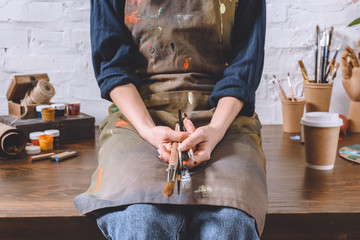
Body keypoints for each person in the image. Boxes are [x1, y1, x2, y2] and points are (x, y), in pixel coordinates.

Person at [75, 0, 267, 239]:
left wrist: (216, 129)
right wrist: (147, 129)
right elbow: (113, 66)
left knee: (230, 221)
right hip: (138, 113)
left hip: (223, 113)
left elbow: (244, 67)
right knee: (142, 217)